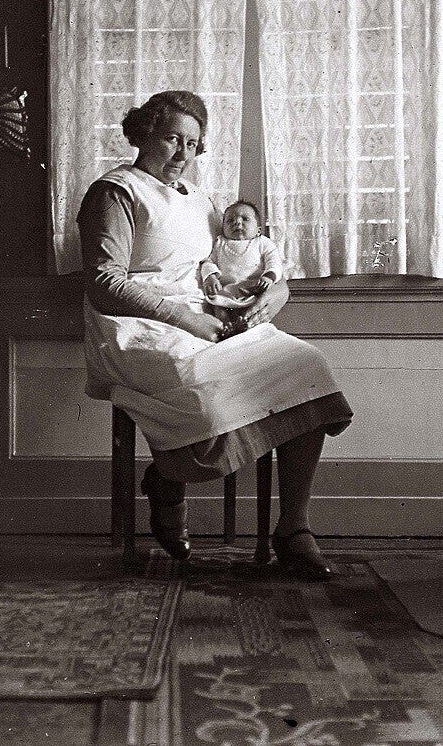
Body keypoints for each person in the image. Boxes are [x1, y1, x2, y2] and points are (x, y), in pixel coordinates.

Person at [76, 90, 353, 580]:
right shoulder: (116, 191)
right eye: (172, 139)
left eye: (192, 143)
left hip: (208, 314)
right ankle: (168, 478)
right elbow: (104, 282)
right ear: (143, 135)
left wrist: (279, 291)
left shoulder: (198, 196)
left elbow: (229, 258)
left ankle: (294, 528)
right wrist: (185, 320)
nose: (183, 153)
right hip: (138, 326)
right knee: (203, 390)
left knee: (304, 365)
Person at [201, 199, 284, 301]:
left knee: (260, 303)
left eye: (245, 219)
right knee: (216, 304)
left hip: (255, 290)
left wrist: (268, 277)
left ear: (258, 230)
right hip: (226, 293)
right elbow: (208, 262)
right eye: (230, 220)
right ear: (223, 228)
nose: (237, 222)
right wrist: (211, 277)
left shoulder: (263, 243)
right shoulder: (220, 243)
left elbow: (274, 262)